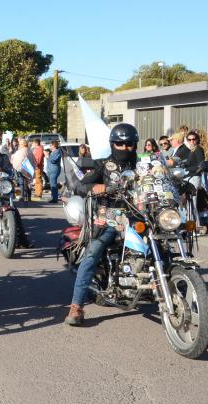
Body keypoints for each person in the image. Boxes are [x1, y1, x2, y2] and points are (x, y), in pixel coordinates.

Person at [65, 123, 140, 326]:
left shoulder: (144, 166)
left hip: (141, 216)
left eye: (129, 144)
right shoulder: (103, 165)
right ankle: (77, 306)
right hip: (111, 216)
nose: (125, 148)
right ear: (113, 144)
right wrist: (104, 187)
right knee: (93, 252)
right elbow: (80, 185)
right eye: (120, 144)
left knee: (166, 240)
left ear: (135, 144)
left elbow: (162, 179)